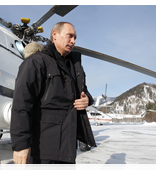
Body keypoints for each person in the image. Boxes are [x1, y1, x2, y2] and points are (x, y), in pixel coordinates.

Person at [10, 22, 96, 170]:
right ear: (54, 34)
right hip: (44, 150)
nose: (73, 41)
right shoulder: (36, 62)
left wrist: (87, 100)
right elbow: (21, 104)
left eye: (75, 37)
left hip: (67, 148)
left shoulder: (75, 67)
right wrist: (21, 145)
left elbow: (84, 91)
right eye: (70, 36)